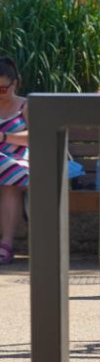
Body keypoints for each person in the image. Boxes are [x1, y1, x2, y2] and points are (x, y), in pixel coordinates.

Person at [0, 56, 28, 265]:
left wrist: (4, 137)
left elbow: (37, 136)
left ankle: (6, 244)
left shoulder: (26, 106)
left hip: (18, 160)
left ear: (15, 83)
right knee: (11, 174)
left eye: (3, 89)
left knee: (12, 178)